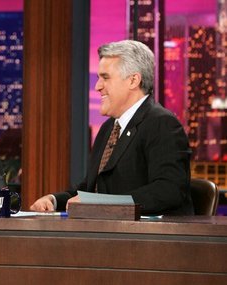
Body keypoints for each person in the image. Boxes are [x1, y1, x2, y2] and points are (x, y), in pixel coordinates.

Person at [30, 40, 194, 216]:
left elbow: (168, 190)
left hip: (147, 239)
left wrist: (102, 204)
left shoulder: (162, 124)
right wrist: (54, 200)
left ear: (133, 80)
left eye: (105, 77)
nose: (97, 86)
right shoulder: (109, 128)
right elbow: (91, 191)